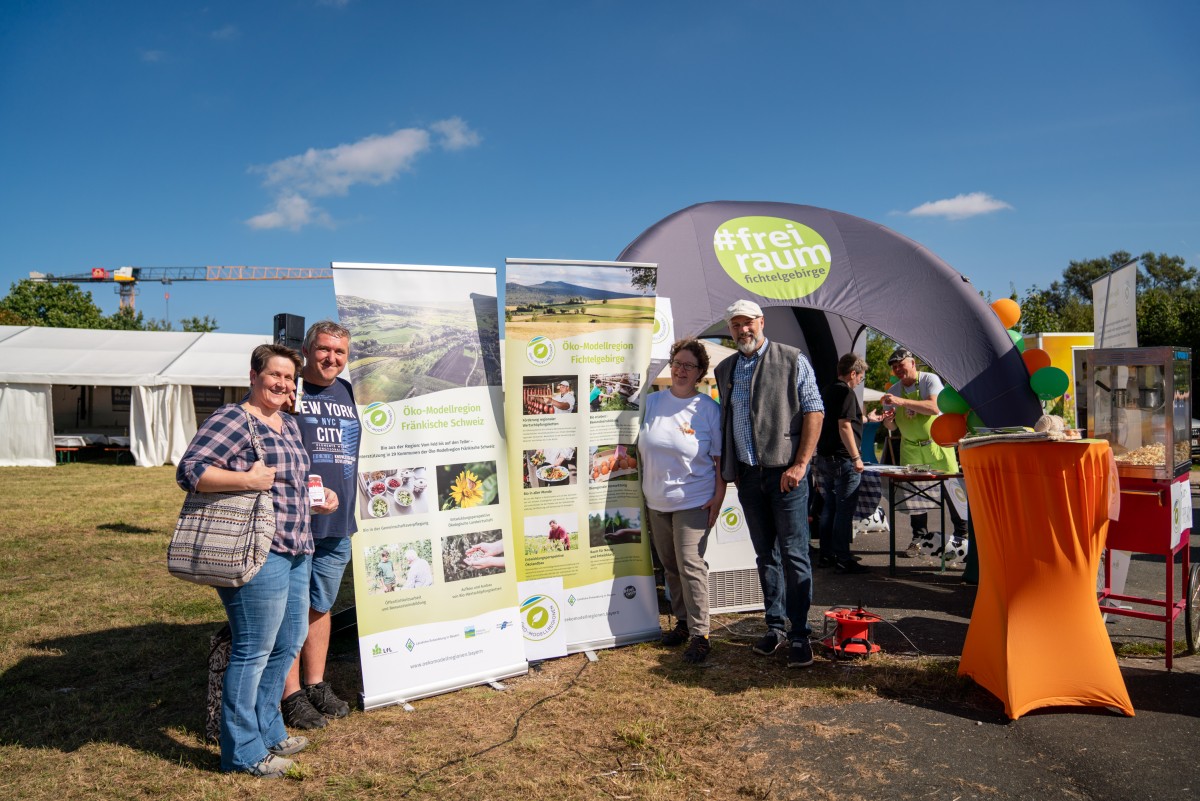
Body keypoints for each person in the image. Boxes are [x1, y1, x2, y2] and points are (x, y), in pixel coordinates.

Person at [177, 344, 339, 778]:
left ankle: (269, 728)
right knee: (253, 650)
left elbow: (289, 482)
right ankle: (242, 751)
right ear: (254, 375)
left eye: (289, 379)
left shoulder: (286, 422)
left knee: (287, 642)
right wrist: (245, 478)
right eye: (276, 376)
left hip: (297, 546)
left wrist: (318, 500)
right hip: (255, 550)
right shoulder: (232, 418)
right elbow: (190, 470)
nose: (283, 385)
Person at [713, 300, 824, 668]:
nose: (743, 330)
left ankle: (800, 634)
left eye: (748, 323)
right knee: (766, 556)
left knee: (794, 555)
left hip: (786, 476)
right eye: (735, 325)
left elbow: (815, 410)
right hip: (748, 476)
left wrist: (801, 464)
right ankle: (775, 627)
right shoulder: (725, 368)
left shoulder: (792, 358)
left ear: (761, 322)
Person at [280, 321, 360, 731]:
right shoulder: (289, 389)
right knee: (290, 610)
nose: (332, 358)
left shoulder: (349, 392)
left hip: (339, 522)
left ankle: (315, 685)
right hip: (294, 523)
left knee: (320, 605)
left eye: (340, 353)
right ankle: (289, 694)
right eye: (325, 349)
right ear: (309, 350)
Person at [640, 337, 724, 663]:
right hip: (656, 501)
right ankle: (682, 622)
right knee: (670, 566)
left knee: (690, 566)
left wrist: (719, 495)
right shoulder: (653, 402)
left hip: (694, 500)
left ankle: (701, 634)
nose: (680, 370)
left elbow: (718, 460)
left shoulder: (708, 410)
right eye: (677, 363)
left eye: (689, 365)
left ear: (700, 372)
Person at [879, 347, 968, 555]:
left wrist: (901, 402)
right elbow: (892, 429)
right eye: (894, 367)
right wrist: (889, 419)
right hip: (910, 448)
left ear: (912, 362)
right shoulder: (892, 392)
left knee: (952, 491)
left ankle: (962, 537)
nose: (898, 370)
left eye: (901, 365)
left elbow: (934, 408)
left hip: (937, 445)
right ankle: (918, 538)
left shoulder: (929, 379)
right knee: (915, 497)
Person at [815, 354, 870, 574]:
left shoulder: (827, 390)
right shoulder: (847, 392)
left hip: (825, 457)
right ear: (853, 373)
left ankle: (827, 554)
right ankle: (842, 557)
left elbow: (842, 419)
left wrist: (868, 418)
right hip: (843, 459)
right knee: (843, 510)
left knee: (829, 508)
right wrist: (856, 457)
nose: (859, 382)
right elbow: (844, 425)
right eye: (860, 378)